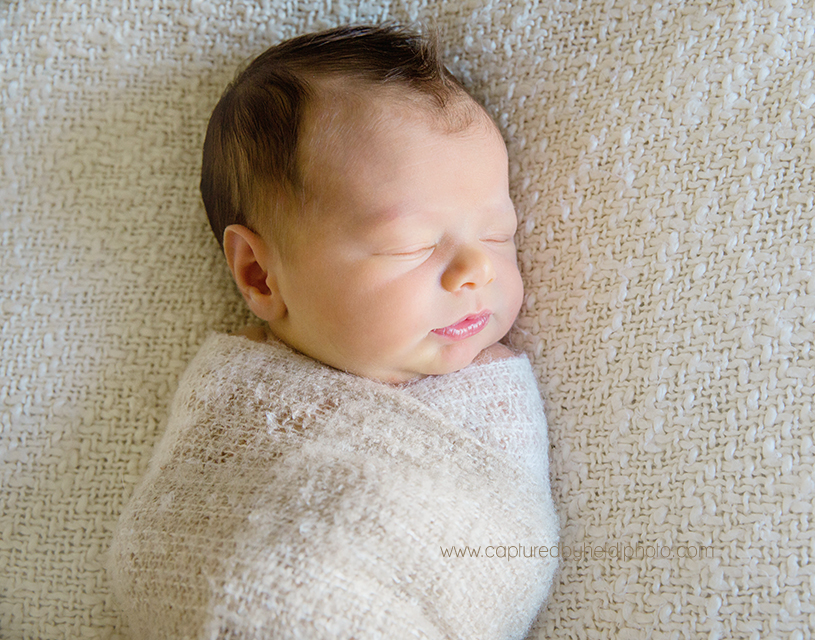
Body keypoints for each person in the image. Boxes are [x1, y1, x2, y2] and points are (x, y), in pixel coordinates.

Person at [109, 25, 558, 640]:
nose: (477, 270)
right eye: (412, 245)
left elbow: (502, 550)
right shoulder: (237, 408)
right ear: (261, 275)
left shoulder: (486, 404)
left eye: (497, 234)